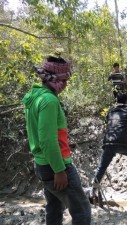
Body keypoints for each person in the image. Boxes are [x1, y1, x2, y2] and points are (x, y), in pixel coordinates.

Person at [22, 56, 91, 225]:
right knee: (82, 210)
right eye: (64, 80)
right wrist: (59, 170)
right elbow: (47, 140)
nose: (65, 85)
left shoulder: (34, 96)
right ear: (54, 79)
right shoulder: (49, 100)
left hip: (42, 164)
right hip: (56, 166)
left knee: (54, 207)